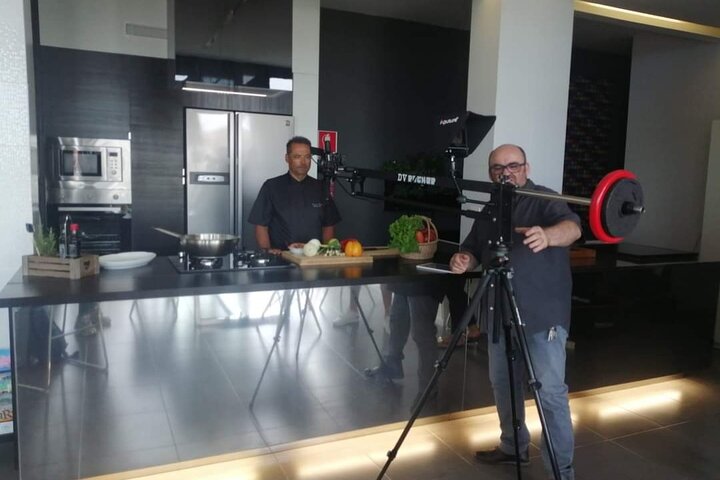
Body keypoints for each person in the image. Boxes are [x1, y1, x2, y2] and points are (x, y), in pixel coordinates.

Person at [450, 144, 581, 480]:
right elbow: (473, 249)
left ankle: (561, 472)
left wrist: (548, 235)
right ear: (490, 173)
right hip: (500, 317)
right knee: (504, 385)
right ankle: (512, 447)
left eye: (512, 165)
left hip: (541, 318)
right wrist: (464, 259)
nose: (505, 172)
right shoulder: (491, 207)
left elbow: (573, 228)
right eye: (498, 168)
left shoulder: (544, 199)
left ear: (526, 167)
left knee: (549, 394)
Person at [248, 136, 341, 252]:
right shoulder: (271, 187)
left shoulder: (321, 188)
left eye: (307, 157)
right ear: (287, 158)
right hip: (281, 257)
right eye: (297, 157)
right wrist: (267, 252)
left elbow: (328, 225)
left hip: (313, 257)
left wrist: (327, 252)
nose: (303, 162)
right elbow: (261, 225)